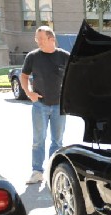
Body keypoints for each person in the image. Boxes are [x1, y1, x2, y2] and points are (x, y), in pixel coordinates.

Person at [20, 26, 70, 184]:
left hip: (59, 106)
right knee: (38, 140)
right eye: (37, 38)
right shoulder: (33, 56)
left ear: (51, 39)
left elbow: (74, 77)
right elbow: (24, 76)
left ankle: (53, 171)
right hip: (39, 105)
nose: (37, 41)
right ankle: (37, 171)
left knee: (57, 141)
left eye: (40, 38)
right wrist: (29, 93)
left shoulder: (64, 56)